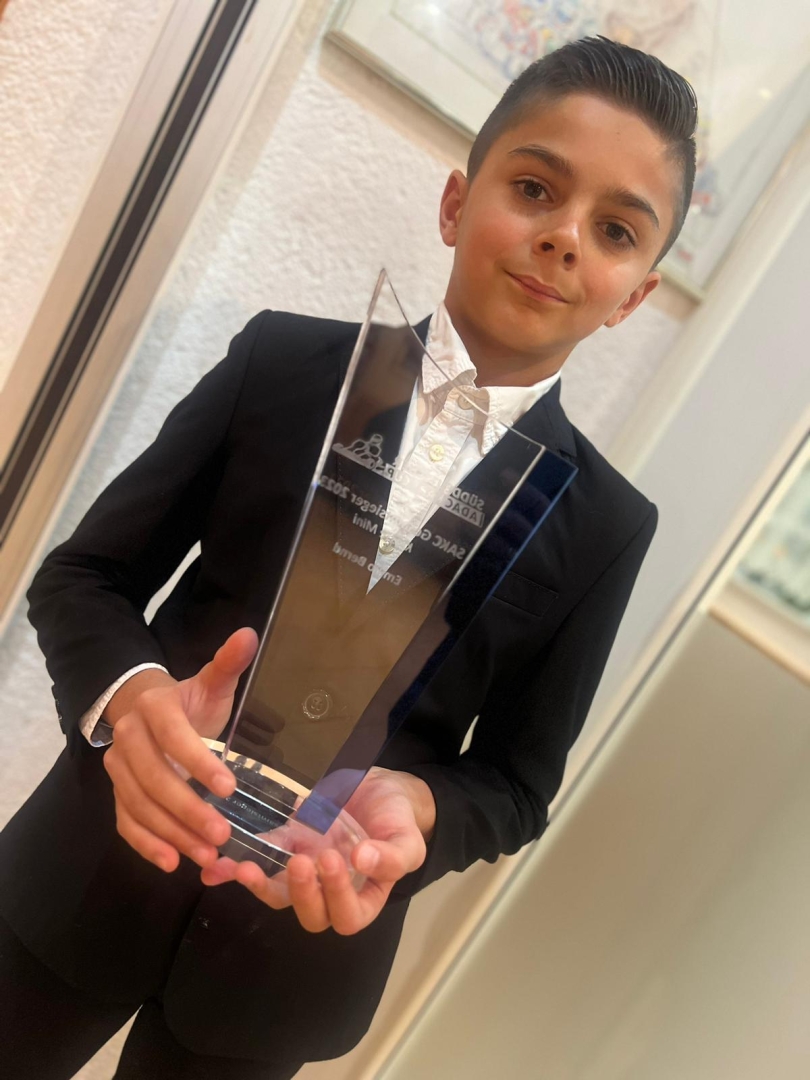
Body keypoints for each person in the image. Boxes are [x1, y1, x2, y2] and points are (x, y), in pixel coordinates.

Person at [0, 35, 697, 1080]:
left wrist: (420, 809)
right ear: (456, 203)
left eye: (615, 230)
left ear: (634, 294)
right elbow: (82, 577)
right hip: (88, 869)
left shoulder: (607, 526)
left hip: (288, 962)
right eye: (535, 189)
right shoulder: (280, 362)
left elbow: (516, 782)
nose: (562, 238)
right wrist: (132, 698)